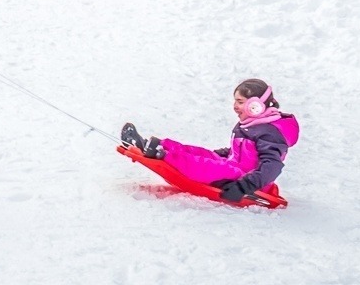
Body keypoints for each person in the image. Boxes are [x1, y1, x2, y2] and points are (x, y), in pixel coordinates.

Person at [121, 79, 299, 205]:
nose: (235, 106)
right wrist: (217, 154)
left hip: (245, 180)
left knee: (205, 165)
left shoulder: (270, 133)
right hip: (234, 167)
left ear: (255, 106)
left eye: (240, 102)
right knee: (201, 154)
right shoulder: (253, 124)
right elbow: (239, 152)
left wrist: (243, 187)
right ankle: (154, 144)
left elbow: (272, 166)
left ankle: (162, 155)